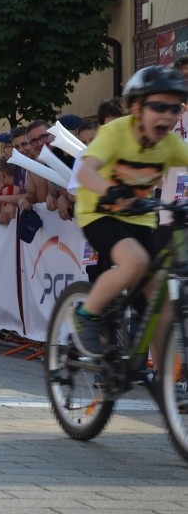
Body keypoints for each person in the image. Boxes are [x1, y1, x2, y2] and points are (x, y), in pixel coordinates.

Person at [73, 65, 188, 364]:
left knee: (160, 298)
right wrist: (109, 191)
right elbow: (85, 171)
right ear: (137, 108)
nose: (167, 115)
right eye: (159, 106)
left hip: (141, 218)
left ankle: (168, 385)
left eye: (175, 109)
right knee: (135, 261)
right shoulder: (115, 132)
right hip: (99, 213)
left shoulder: (170, 144)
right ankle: (86, 315)